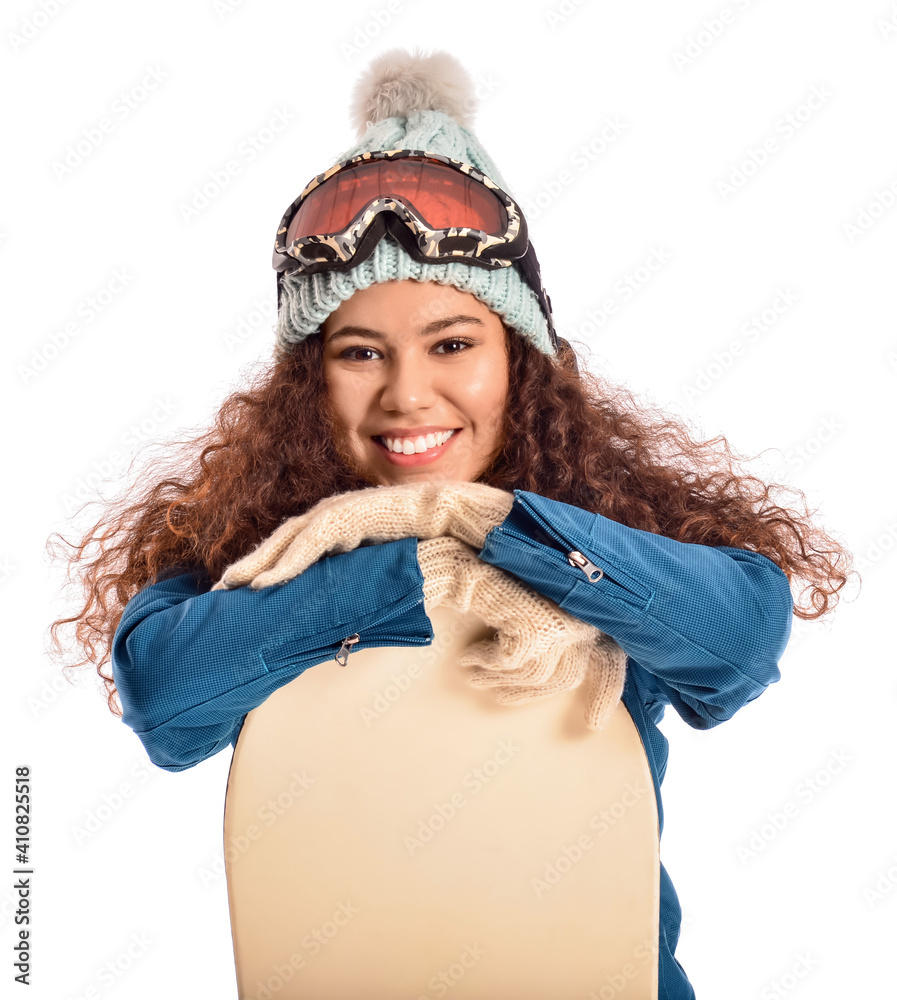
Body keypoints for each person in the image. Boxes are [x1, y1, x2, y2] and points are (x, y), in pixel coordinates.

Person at [48, 47, 852, 999]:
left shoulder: (603, 531)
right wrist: (409, 556)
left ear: (521, 360)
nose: (406, 393)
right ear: (311, 383)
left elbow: (742, 641)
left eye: (453, 343)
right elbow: (167, 699)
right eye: (359, 353)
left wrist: (499, 531)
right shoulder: (253, 550)